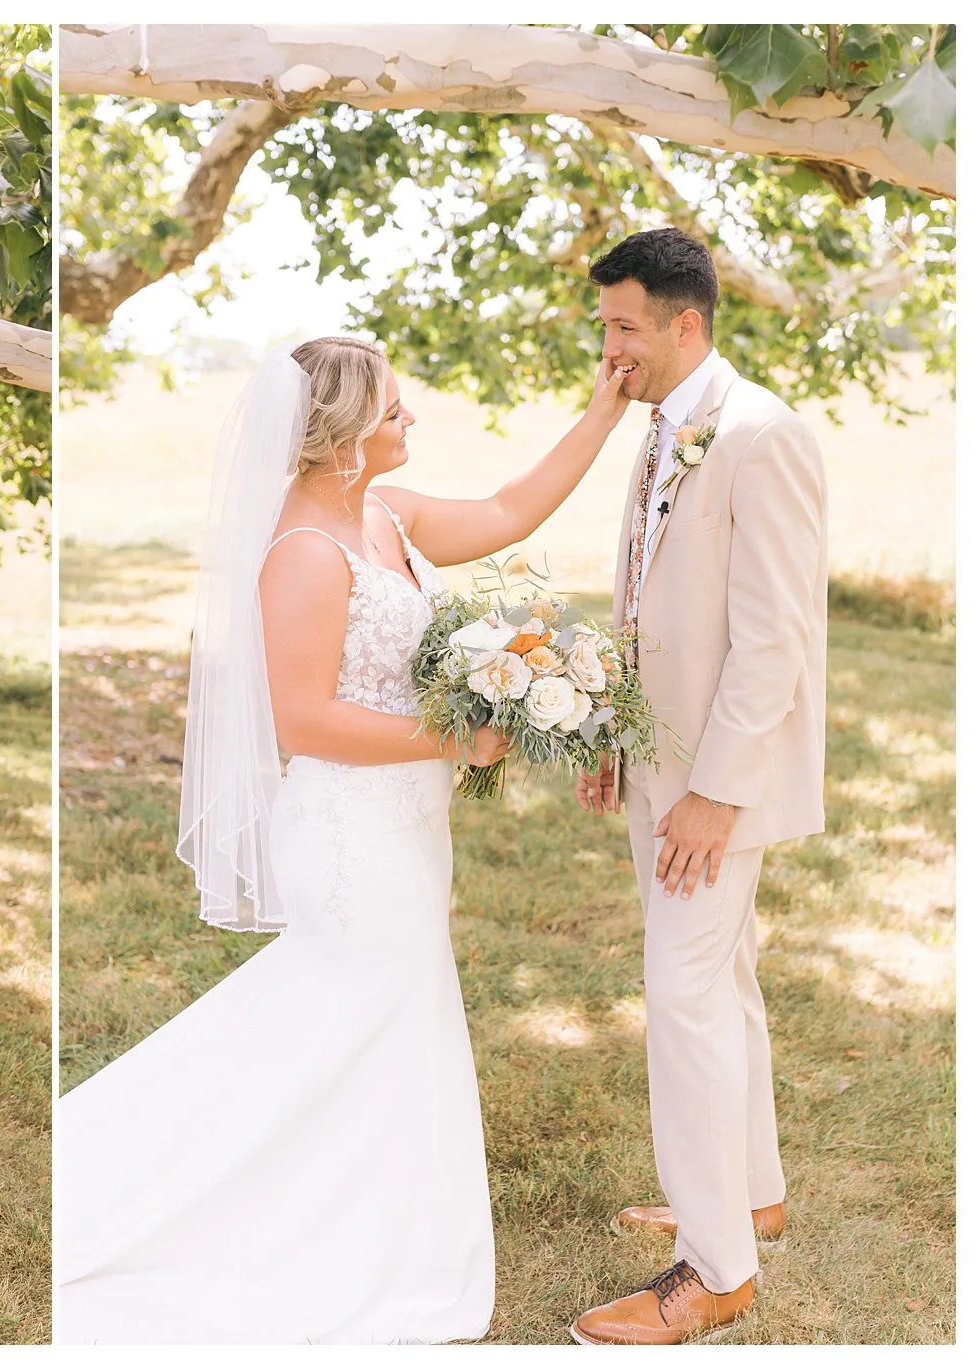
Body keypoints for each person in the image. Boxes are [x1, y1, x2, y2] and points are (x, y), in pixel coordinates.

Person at [55, 336, 630, 1342]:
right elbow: (304, 720)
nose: (411, 421)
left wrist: (602, 414)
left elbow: (507, 511)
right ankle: (314, 1231)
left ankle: (362, 1217)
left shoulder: (384, 513)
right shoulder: (302, 555)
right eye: (394, 411)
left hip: (405, 822)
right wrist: (455, 736)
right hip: (347, 833)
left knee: (368, 1026)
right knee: (362, 1017)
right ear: (341, 436)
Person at [570, 227, 826, 1345]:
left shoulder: (760, 434)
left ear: (686, 322)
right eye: (604, 326)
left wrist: (715, 792)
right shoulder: (661, 427)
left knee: (680, 996)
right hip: (657, 760)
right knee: (722, 980)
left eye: (625, 326)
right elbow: (645, 600)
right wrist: (613, 732)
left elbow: (773, 638)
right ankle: (751, 1193)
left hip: (715, 784)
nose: (609, 348)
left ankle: (716, 1268)